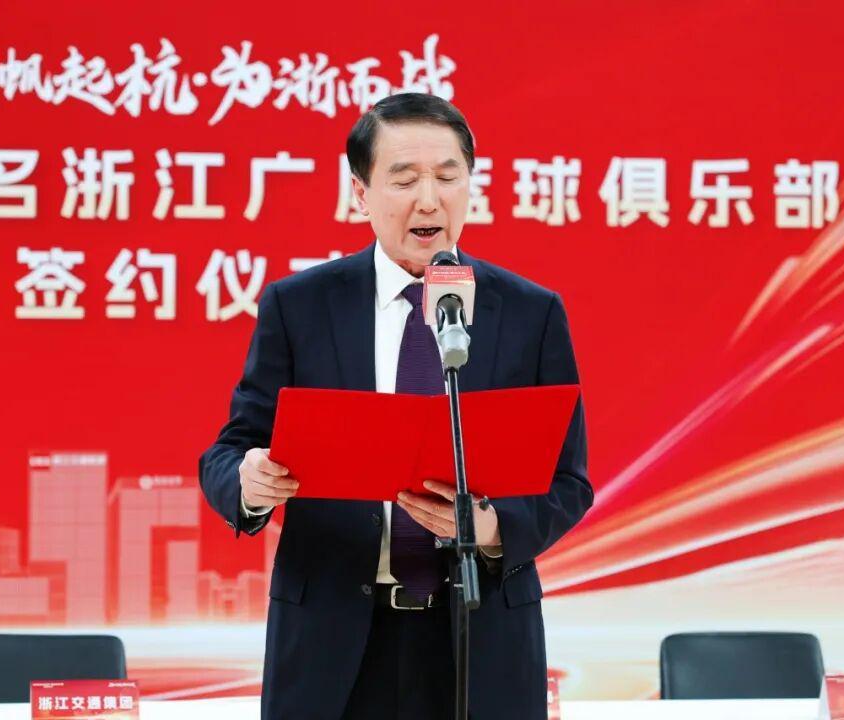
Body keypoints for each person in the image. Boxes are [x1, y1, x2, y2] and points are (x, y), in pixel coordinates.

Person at [200, 92, 592, 720]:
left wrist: (491, 529)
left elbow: (568, 482)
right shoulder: (300, 307)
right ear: (361, 193)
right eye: (405, 180)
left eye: (448, 177)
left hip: (480, 634)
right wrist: (249, 483)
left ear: (471, 184)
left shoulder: (530, 313)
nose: (429, 200)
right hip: (333, 640)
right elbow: (229, 452)